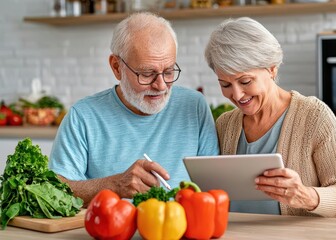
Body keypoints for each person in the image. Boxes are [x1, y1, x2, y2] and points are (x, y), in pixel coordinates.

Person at [204, 17, 336, 218]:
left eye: (245, 81)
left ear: (272, 68)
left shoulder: (314, 117)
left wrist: (307, 196)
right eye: (226, 85)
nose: (237, 95)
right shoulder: (225, 125)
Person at [49, 12, 219, 205]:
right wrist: (113, 185)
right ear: (116, 67)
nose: (161, 86)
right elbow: (55, 188)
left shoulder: (194, 106)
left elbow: (213, 186)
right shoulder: (83, 116)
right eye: (147, 74)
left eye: (169, 71)